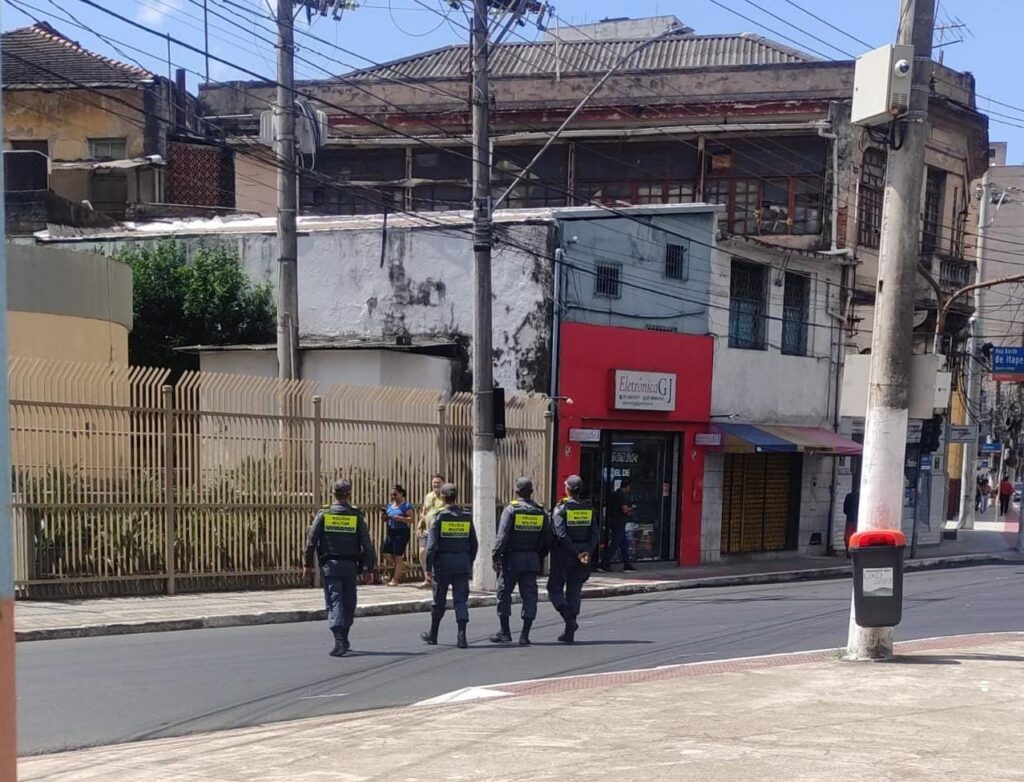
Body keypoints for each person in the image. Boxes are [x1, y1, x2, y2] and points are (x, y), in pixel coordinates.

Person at [303, 479, 376, 657]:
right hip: (350, 566)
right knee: (349, 602)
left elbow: (311, 542)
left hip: (330, 566)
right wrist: (369, 568)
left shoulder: (324, 514)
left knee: (335, 602)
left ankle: (340, 640)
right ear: (349, 494)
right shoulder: (355, 516)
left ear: (333, 493)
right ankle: (342, 639)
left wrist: (307, 564)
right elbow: (367, 545)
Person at [490, 477, 551, 646]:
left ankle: (505, 632)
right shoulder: (540, 511)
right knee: (530, 596)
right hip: (531, 559)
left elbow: (502, 537)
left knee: (503, 594)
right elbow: (547, 540)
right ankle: (525, 635)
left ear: (516, 492)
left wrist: (495, 555)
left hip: (511, 560)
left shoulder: (511, 510)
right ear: (531, 492)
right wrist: (538, 556)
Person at [421, 483, 478, 649]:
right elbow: (474, 544)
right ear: (456, 496)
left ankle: (433, 634)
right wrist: (468, 561)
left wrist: (427, 568)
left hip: (442, 566)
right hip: (461, 564)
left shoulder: (439, 517)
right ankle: (462, 636)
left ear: (443, 498)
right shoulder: (466, 516)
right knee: (461, 600)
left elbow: (431, 547)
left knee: (439, 600)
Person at [547, 475, 600, 644]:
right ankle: (570, 629)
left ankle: (569, 620)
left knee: (554, 588)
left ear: (567, 489)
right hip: (583, 555)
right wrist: (586, 552)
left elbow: (560, 535)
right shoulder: (588, 509)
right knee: (574, 591)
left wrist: (577, 553)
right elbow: (595, 534)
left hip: (565, 555)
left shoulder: (561, 509)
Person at [600, 477, 636, 572]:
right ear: (627, 486)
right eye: (630, 487)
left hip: (615, 521)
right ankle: (603, 564)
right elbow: (624, 510)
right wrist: (632, 508)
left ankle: (627, 564)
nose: (630, 489)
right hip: (619, 522)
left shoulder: (615, 494)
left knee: (624, 544)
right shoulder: (622, 495)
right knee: (615, 544)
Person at [417, 474, 445, 589]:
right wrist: (420, 526)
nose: (436, 484)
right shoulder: (428, 496)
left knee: (436, 555)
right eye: (434, 483)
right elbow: (423, 512)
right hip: (427, 530)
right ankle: (428, 578)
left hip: (439, 532)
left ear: (443, 484)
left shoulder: (446, 497)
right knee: (422, 552)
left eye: (438, 482)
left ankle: (438, 578)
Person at [382, 484, 414, 586]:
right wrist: (384, 515)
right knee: (385, 553)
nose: (393, 497)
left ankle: (395, 579)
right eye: (391, 495)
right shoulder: (389, 506)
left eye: (395, 494)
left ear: (401, 494)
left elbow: (412, 520)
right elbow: (384, 520)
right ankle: (402, 566)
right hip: (391, 531)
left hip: (402, 532)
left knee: (397, 555)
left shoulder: (406, 506)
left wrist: (401, 518)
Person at [843, 486, 860, 555]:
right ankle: (856, 551)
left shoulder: (849, 496)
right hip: (858, 519)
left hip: (850, 518)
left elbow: (845, 510)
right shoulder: (862, 497)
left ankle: (848, 550)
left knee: (848, 536)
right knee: (857, 535)